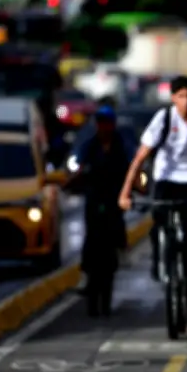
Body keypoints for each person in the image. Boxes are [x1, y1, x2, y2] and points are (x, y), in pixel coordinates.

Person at [118, 76, 187, 316]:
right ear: (173, 98)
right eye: (181, 97)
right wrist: (125, 192)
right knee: (158, 223)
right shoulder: (163, 119)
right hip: (166, 180)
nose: (186, 102)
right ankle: (159, 262)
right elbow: (140, 157)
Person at [66, 105, 130, 317]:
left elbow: (131, 170)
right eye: (100, 122)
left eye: (107, 122)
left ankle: (121, 252)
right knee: (91, 238)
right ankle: (87, 273)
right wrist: (72, 180)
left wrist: (136, 187)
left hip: (114, 201)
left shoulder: (121, 145)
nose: (104, 127)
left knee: (115, 233)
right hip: (94, 200)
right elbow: (79, 167)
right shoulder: (89, 146)